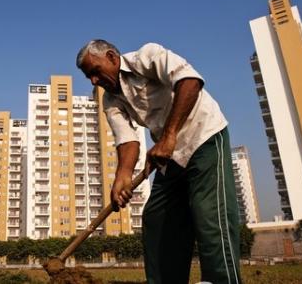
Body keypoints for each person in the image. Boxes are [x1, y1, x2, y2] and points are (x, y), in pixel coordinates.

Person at [76, 39, 241, 284]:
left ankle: (221, 280)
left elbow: (189, 81)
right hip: (169, 155)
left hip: (202, 136)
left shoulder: (147, 57)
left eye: (95, 72)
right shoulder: (110, 100)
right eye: (88, 76)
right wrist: (122, 176)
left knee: (210, 214)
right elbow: (127, 139)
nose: (93, 81)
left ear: (111, 57)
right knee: (157, 218)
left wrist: (169, 136)